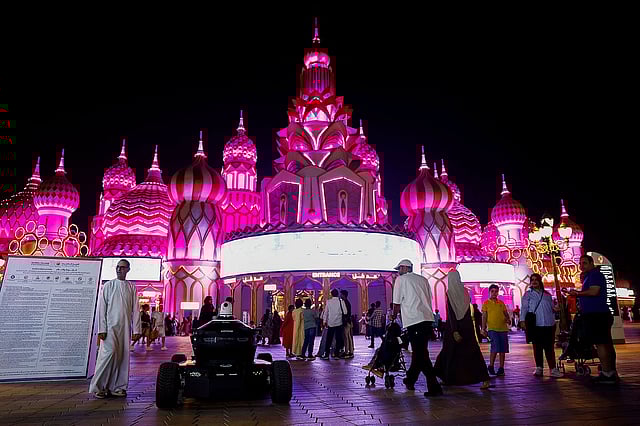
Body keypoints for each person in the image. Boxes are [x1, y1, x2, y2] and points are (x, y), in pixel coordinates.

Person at [89, 259, 141, 399]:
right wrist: (102, 328)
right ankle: (98, 387)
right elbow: (102, 308)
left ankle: (118, 387)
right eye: (117, 267)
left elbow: (136, 309)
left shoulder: (131, 287)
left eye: (122, 267)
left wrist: (136, 330)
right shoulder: (108, 285)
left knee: (122, 356)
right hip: (110, 328)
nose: (119, 269)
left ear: (128, 269)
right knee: (109, 354)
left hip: (124, 328)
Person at [391, 259, 443, 397]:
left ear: (404, 268)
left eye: (399, 269)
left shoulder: (401, 280)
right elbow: (429, 298)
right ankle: (410, 379)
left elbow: (396, 303)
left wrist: (393, 316)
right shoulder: (423, 280)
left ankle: (434, 386)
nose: (398, 272)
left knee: (421, 354)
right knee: (419, 352)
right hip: (426, 319)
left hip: (414, 320)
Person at [565, 255, 618, 384]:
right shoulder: (590, 276)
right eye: (580, 263)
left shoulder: (595, 275)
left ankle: (607, 373)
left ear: (591, 263)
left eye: (584, 263)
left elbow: (594, 291)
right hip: (598, 314)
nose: (581, 266)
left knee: (601, 344)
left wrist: (577, 293)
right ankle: (611, 371)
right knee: (606, 343)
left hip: (597, 314)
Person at [434, 270, 491, 390]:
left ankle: (447, 377)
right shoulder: (465, 291)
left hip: (454, 327)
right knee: (472, 352)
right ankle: (484, 378)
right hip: (467, 327)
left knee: (449, 353)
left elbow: (451, 313)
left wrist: (455, 330)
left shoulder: (450, 292)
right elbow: (467, 310)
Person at [520, 273, 563, 378]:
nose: (534, 281)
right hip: (536, 324)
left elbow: (552, 308)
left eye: (536, 279)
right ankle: (539, 367)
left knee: (549, 348)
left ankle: (553, 369)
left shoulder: (547, 294)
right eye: (532, 280)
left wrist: (556, 308)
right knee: (537, 347)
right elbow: (524, 308)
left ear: (540, 281)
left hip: (549, 324)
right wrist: (522, 321)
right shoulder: (528, 294)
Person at [482, 284, 511, 376]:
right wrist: (483, 328)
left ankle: (501, 368)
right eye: (492, 291)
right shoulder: (486, 303)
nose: (494, 293)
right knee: (495, 347)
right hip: (492, 329)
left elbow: (506, 314)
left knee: (503, 349)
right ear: (489, 292)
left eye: (496, 291)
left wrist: (508, 319)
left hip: (503, 328)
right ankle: (491, 365)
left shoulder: (501, 303)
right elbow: (484, 316)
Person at [321, 289, 347, 360]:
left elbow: (326, 312)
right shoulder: (341, 301)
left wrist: (324, 321)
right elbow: (345, 312)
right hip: (339, 322)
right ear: (338, 294)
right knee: (338, 339)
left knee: (329, 339)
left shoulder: (328, 302)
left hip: (330, 323)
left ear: (331, 294)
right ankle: (336, 354)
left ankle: (326, 354)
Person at [340, 290, 355, 358]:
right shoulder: (347, 302)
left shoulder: (345, 303)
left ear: (344, 295)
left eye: (341, 294)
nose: (340, 296)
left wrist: (344, 320)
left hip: (346, 321)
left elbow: (346, 313)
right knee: (348, 336)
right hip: (348, 321)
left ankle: (347, 352)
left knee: (346, 337)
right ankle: (350, 351)